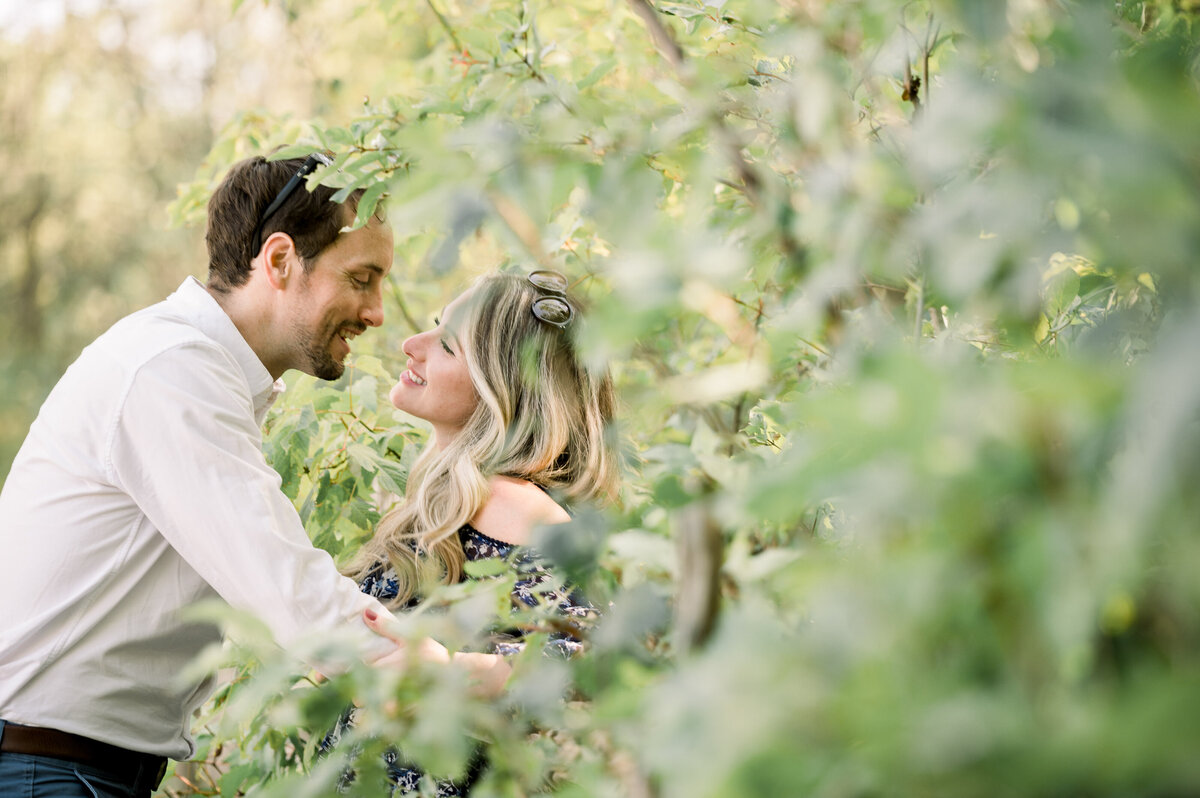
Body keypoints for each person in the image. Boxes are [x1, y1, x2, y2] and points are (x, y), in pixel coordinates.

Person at [0, 153, 504, 798]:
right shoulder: (171, 370)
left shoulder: (199, 372)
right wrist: (453, 673)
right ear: (279, 260)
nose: (378, 313)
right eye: (361, 277)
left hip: (75, 770)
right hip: (45, 770)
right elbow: (284, 588)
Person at [323, 270, 621, 794]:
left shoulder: (514, 503)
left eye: (447, 345)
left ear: (502, 388)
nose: (411, 346)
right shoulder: (448, 504)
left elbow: (601, 659)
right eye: (434, 327)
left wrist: (451, 670)